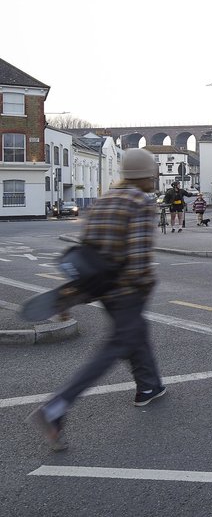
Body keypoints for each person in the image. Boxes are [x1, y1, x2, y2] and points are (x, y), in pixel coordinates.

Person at [27, 147, 166, 452]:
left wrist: (76, 291)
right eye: (152, 172)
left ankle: (149, 386)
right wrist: (143, 287)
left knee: (135, 333)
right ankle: (55, 409)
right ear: (144, 175)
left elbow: (86, 249)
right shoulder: (140, 202)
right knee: (117, 343)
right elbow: (140, 257)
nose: (154, 177)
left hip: (101, 286)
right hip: (126, 288)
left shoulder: (104, 200)